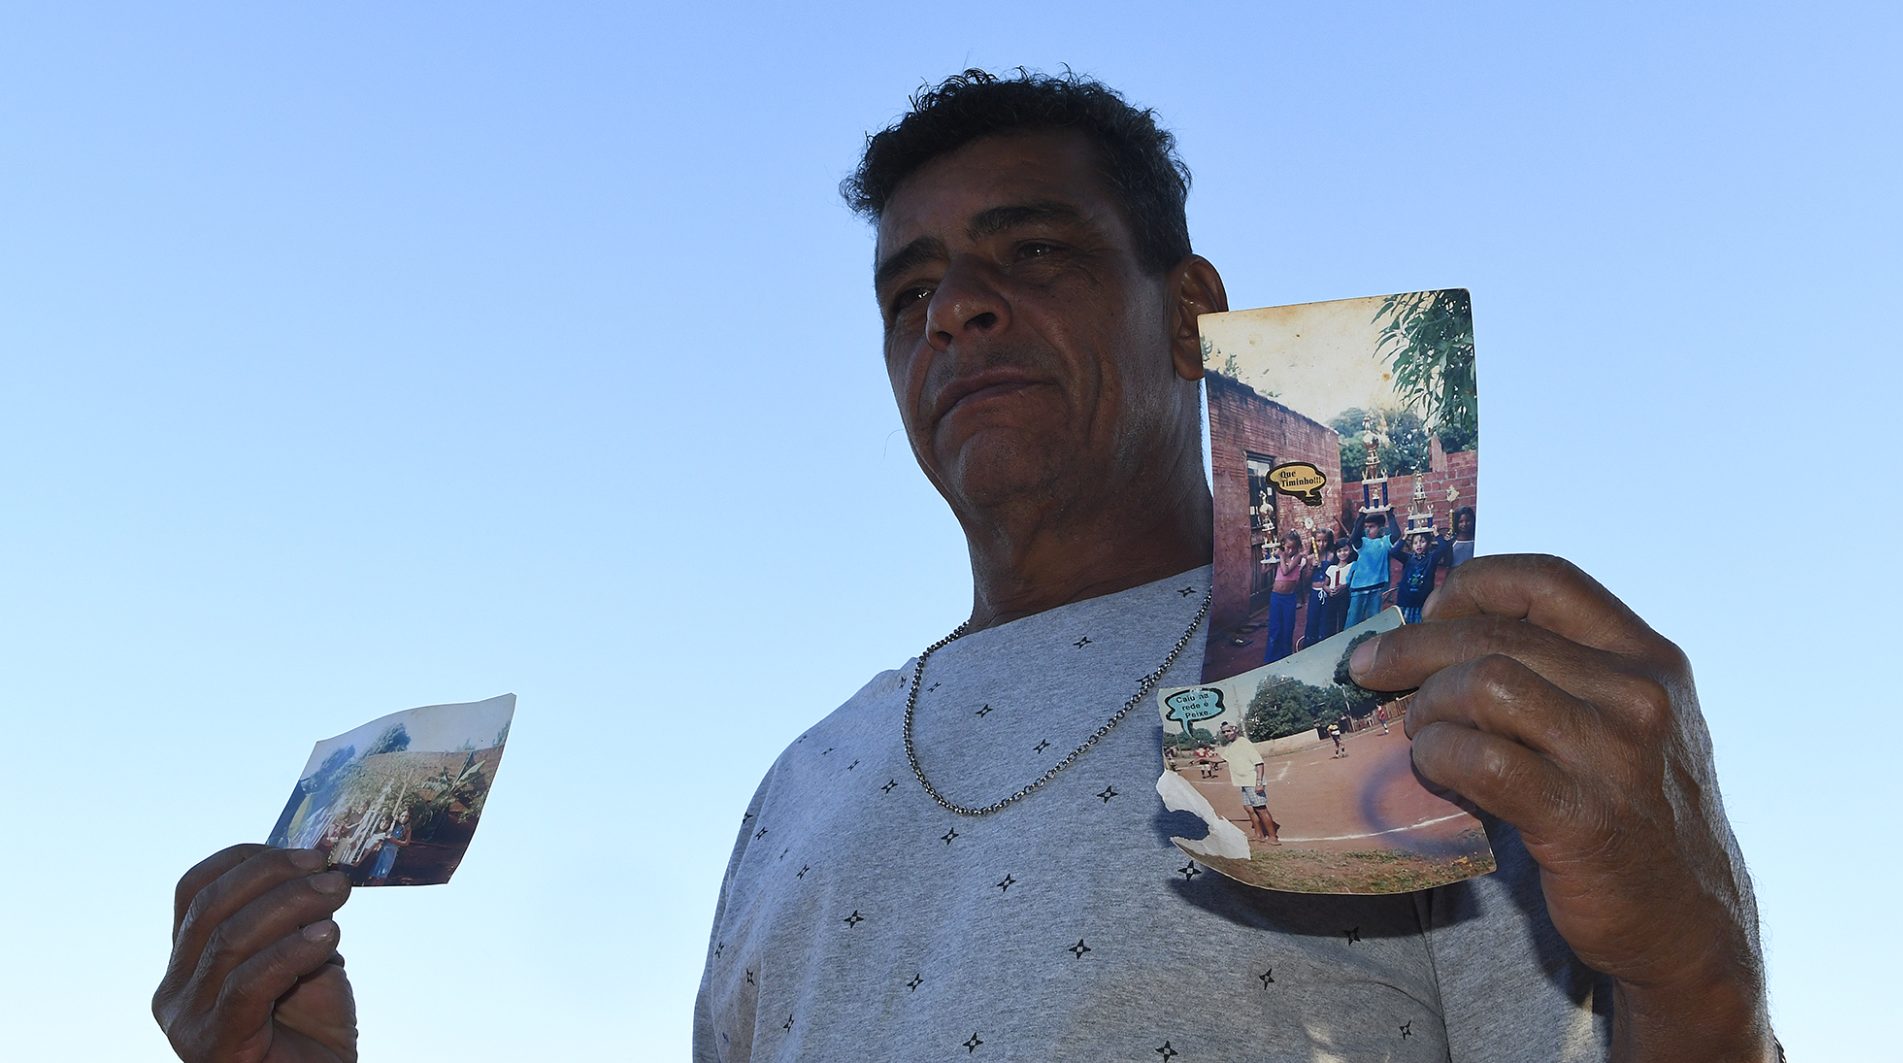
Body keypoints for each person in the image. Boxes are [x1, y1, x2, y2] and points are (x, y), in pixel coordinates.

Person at [154, 70, 1775, 1063]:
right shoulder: (801, 781)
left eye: (1033, 251)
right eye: (907, 289)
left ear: (1192, 312)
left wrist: (1697, 966)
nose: (955, 310)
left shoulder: (1392, 671)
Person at [1213, 721, 1278, 844]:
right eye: (1224, 732)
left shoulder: (1244, 743)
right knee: (1249, 808)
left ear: (1236, 730)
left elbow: (1259, 763)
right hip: (1244, 782)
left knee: (1261, 809)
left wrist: (1259, 783)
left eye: (1229, 731)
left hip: (1253, 781)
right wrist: (1202, 758)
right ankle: (1259, 835)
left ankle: (1273, 837)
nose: (1226, 734)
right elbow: (1221, 758)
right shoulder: (1231, 746)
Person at [1346, 509, 1399, 627]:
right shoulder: (1362, 543)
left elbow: (1396, 534)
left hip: (1377, 588)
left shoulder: (1384, 542)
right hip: (1359, 588)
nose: (1368, 530)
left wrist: (1390, 514)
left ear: (1380, 528)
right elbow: (1354, 538)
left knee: (1374, 621)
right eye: (1366, 527)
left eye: (1372, 527)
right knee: (1353, 620)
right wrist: (1361, 516)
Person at [1263, 530, 1308, 662]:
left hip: (1289, 598)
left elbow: (1286, 571)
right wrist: (1266, 558)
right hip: (1276, 597)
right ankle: (1271, 658)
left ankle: (1285, 655)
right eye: (1288, 547)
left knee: (1288, 627)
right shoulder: (1280, 557)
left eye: (1293, 547)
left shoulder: (1298, 557)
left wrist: (1282, 556)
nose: (1290, 550)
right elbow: (1264, 571)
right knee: (1274, 627)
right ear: (1283, 544)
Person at [1389, 529, 1450, 624]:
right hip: (1405, 601)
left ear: (1428, 544)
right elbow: (1394, 552)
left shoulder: (1431, 559)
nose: (1419, 545)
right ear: (1411, 546)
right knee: (1404, 626)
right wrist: (1405, 537)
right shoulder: (1407, 558)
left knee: (1419, 627)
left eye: (1422, 542)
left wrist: (1436, 533)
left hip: (1422, 602)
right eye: (1415, 543)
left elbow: (1443, 547)